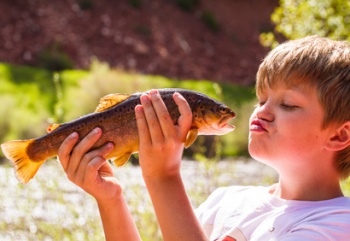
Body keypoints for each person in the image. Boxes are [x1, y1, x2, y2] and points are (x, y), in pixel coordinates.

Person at [57, 35, 350, 241]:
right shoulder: (227, 201)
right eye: (261, 99)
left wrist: (163, 176)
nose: (263, 112)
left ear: (339, 135)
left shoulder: (337, 225)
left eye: (288, 104)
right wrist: (111, 200)